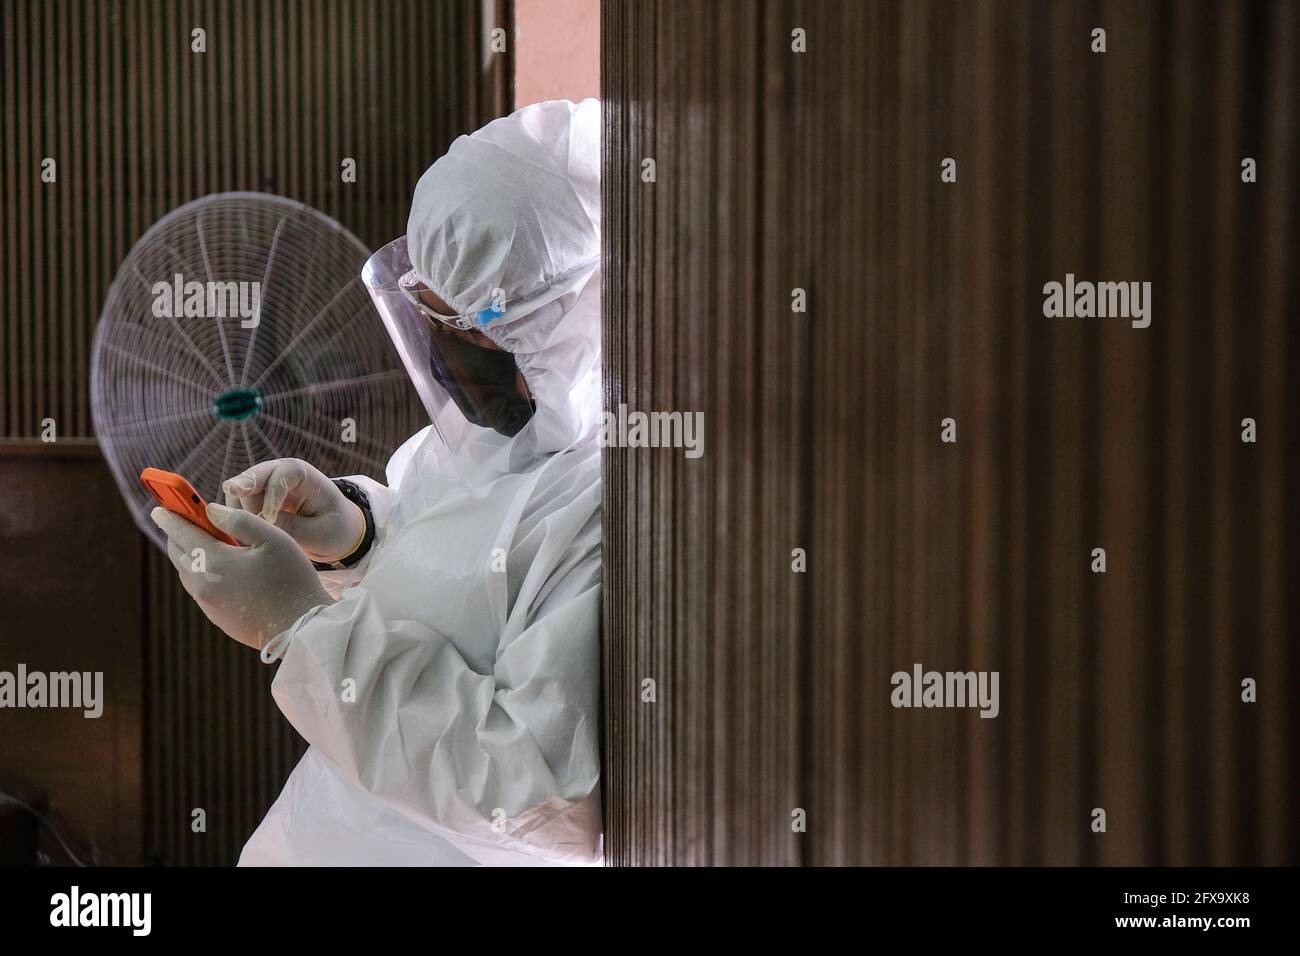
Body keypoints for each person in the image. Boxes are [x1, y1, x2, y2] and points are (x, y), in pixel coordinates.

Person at [150, 99, 604, 866]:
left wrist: (301, 627)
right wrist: (352, 530)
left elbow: (536, 792)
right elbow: (462, 575)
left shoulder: (607, 512)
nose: (442, 358)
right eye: (430, 314)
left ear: (568, 320)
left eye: (469, 333)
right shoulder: (489, 439)